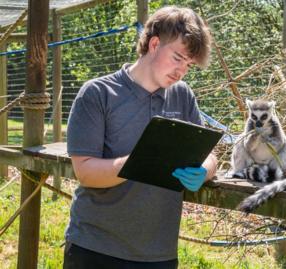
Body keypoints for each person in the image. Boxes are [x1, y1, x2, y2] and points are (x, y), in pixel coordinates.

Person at [63, 6, 217, 269]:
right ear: (154, 44)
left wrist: (204, 171)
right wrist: (141, 162)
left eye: (189, 65)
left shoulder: (182, 96)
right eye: (178, 58)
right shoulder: (98, 93)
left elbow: (209, 154)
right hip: (95, 247)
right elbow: (85, 171)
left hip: (158, 253)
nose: (182, 71)